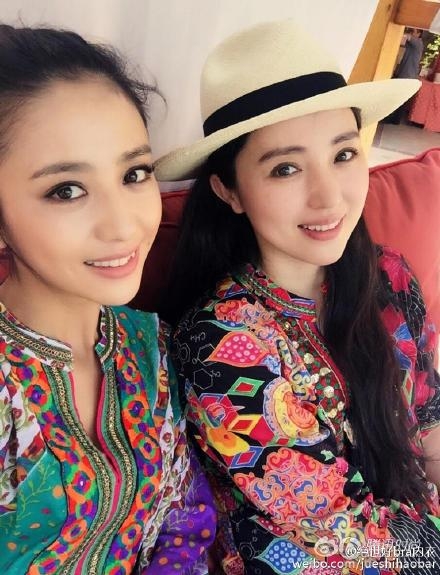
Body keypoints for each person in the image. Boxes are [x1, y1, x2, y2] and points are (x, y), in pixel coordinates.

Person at [155, 20, 440, 575]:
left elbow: (429, 421)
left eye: (343, 154)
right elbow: (339, 534)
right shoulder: (222, 347)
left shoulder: (389, 276)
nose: (328, 197)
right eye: (286, 168)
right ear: (229, 190)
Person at [0, 24, 216, 574]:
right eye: (66, 190)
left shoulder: (148, 345)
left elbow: (184, 517)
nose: (123, 225)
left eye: (134, 173)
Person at [384, 28, 424, 124]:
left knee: (400, 98)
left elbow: (406, 36)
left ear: (419, 34)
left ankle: (395, 119)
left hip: (408, 75)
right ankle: (393, 118)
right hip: (404, 73)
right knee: (398, 96)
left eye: (413, 31)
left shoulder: (418, 43)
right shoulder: (411, 44)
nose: (411, 32)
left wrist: (400, 30)